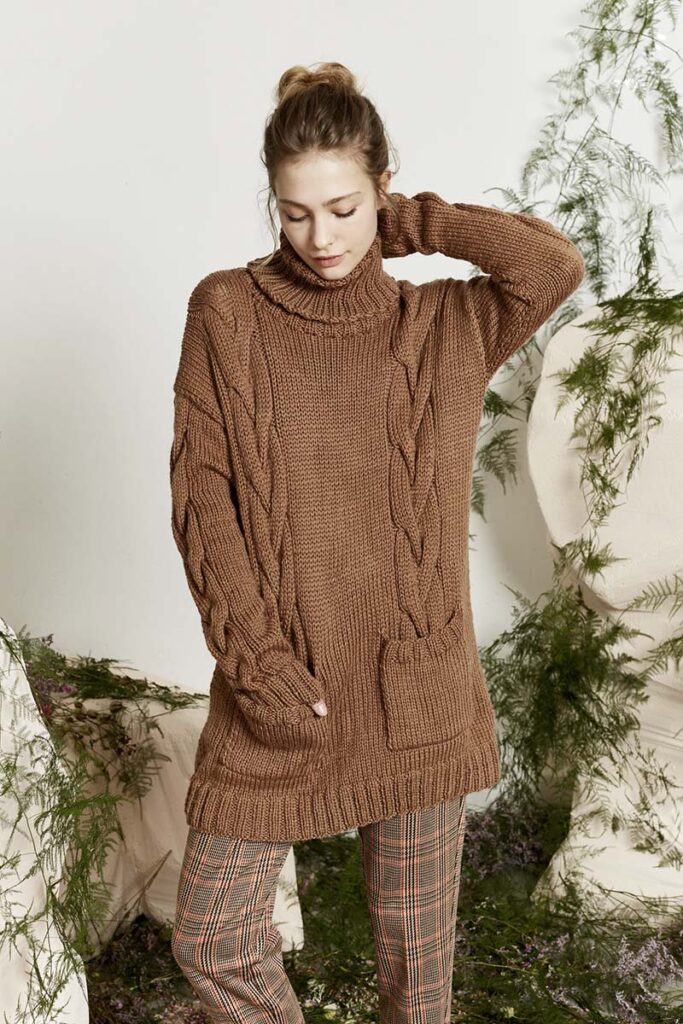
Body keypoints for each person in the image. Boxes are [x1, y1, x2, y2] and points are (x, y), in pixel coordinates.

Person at [168, 61, 585, 1024]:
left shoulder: (446, 326)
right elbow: (202, 497)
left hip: (418, 695)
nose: (320, 238)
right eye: (295, 213)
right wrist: (256, 662)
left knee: (415, 981)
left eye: (345, 208)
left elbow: (551, 267)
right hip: (283, 690)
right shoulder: (226, 312)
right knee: (213, 938)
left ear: (383, 191)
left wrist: (417, 223)